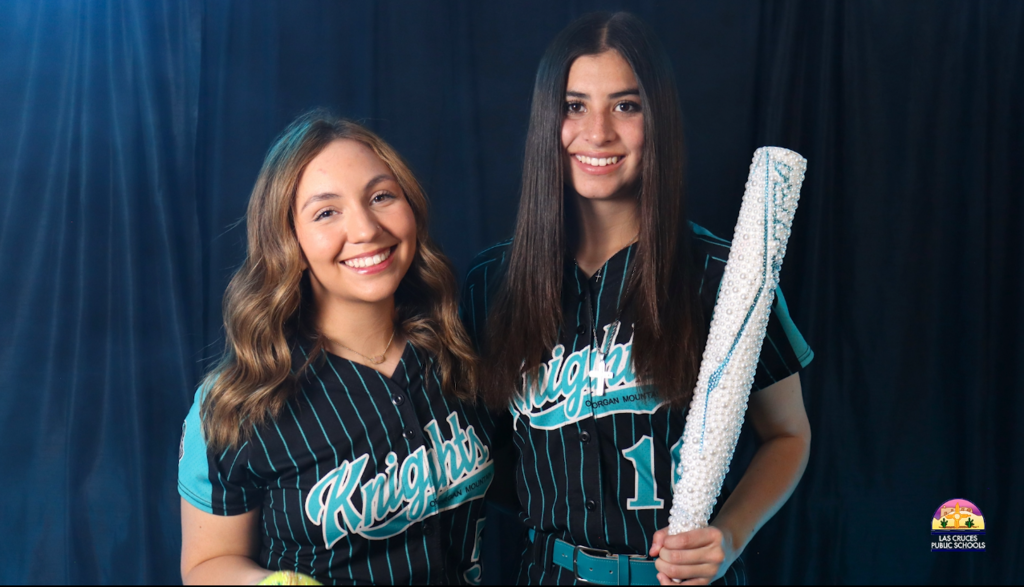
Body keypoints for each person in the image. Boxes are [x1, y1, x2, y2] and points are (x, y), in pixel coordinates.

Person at [462, 12, 813, 586]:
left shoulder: (728, 275)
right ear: (547, 118)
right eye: (574, 106)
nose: (597, 132)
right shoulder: (490, 283)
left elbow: (788, 434)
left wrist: (728, 537)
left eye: (626, 106)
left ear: (658, 119)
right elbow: (478, 457)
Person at [178, 111, 496, 585]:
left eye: (381, 196)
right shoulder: (236, 403)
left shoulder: (458, 349)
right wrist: (265, 585)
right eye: (327, 212)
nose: (366, 229)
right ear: (289, 239)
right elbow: (206, 565)